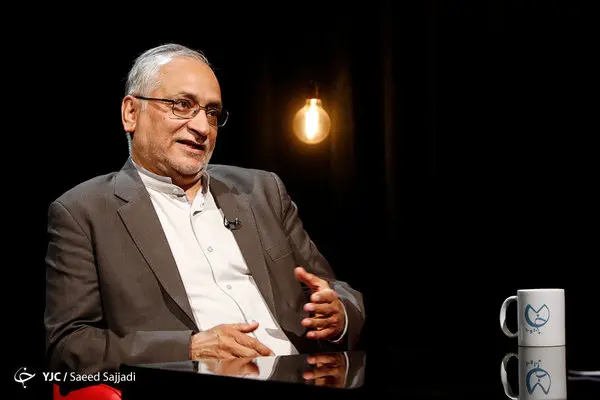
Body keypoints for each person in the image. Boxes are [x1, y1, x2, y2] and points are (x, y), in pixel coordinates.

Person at [44, 43, 365, 379]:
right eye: (182, 105)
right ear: (131, 113)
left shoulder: (262, 190)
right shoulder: (84, 212)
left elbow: (335, 289)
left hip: (304, 375)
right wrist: (189, 348)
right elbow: (69, 347)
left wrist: (339, 314)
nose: (202, 127)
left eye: (212, 112)